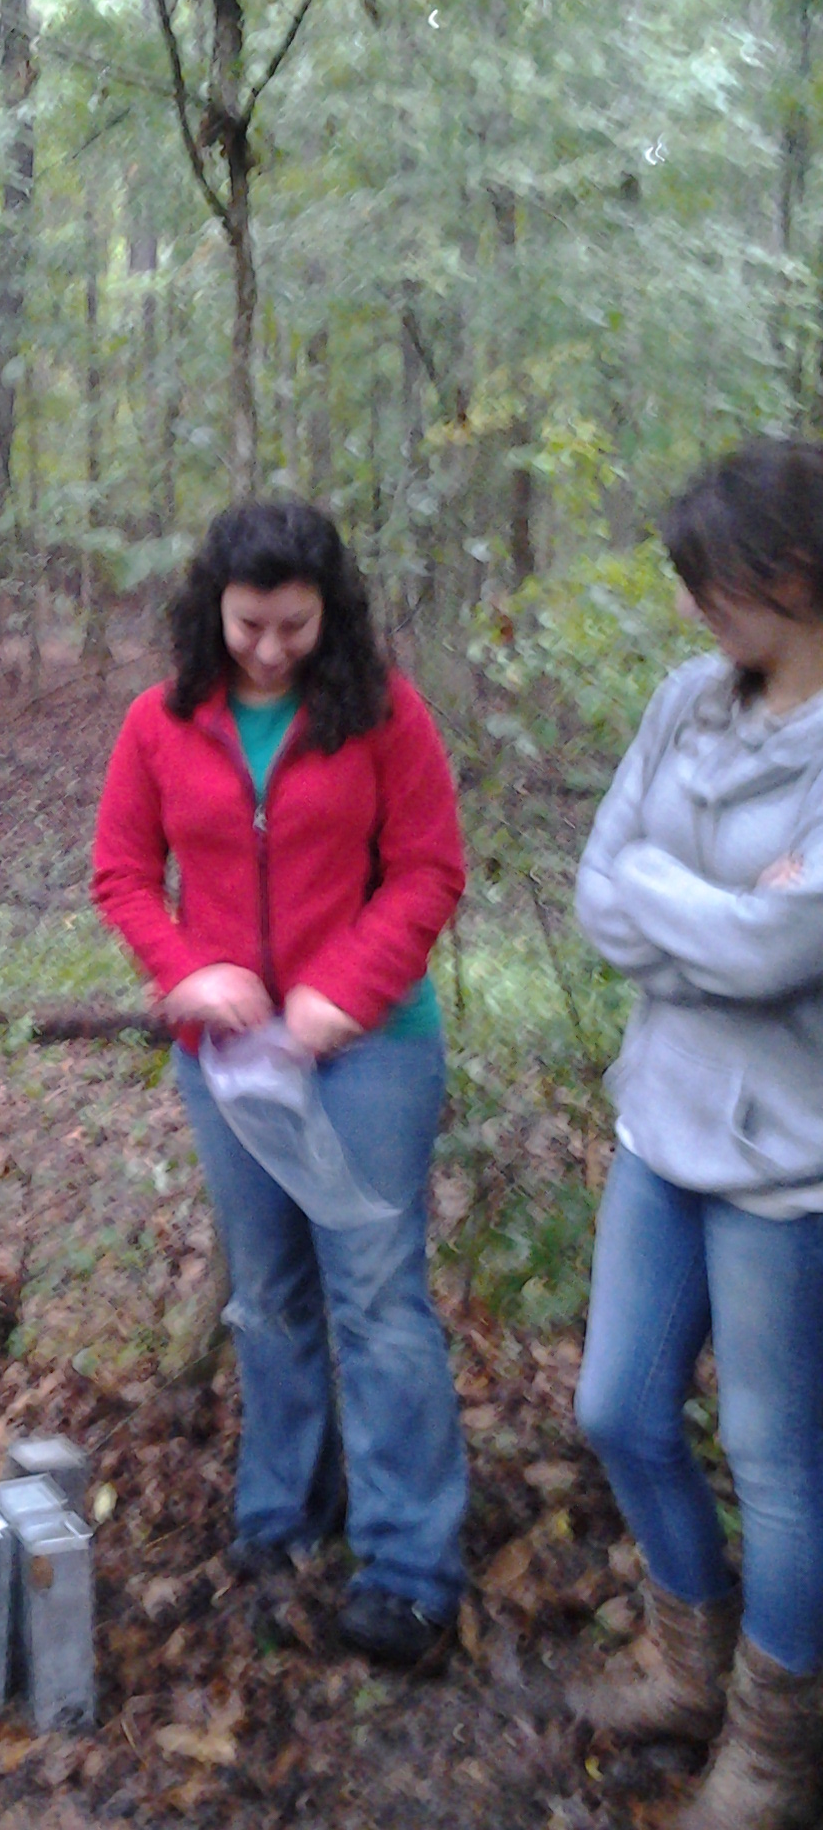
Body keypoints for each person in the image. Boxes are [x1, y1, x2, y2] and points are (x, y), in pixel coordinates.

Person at [91, 500, 468, 1667]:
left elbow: (427, 869)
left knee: (377, 1294)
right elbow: (120, 873)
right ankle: (280, 1512)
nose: (267, 647)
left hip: (372, 1048)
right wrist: (186, 969)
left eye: (293, 625)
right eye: (249, 623)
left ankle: (408, 1564)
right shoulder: (162, 722)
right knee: (268, 1287)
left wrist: (343, 989)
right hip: (229, 1062)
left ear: (329, 612)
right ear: (213, 608)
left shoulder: (383, 712)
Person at [572, 440, 823, 1830]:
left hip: (792, 1149)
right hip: (661, 1112)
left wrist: (685, 910)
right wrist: (706, 919)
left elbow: (786, 945)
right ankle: (690, 1658)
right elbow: (600, 890)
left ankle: (777, 1748)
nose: (690, 609)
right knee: (617, 1406)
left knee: (780, 1459)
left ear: (788, 574)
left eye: (709, 580)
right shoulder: (686, 703)